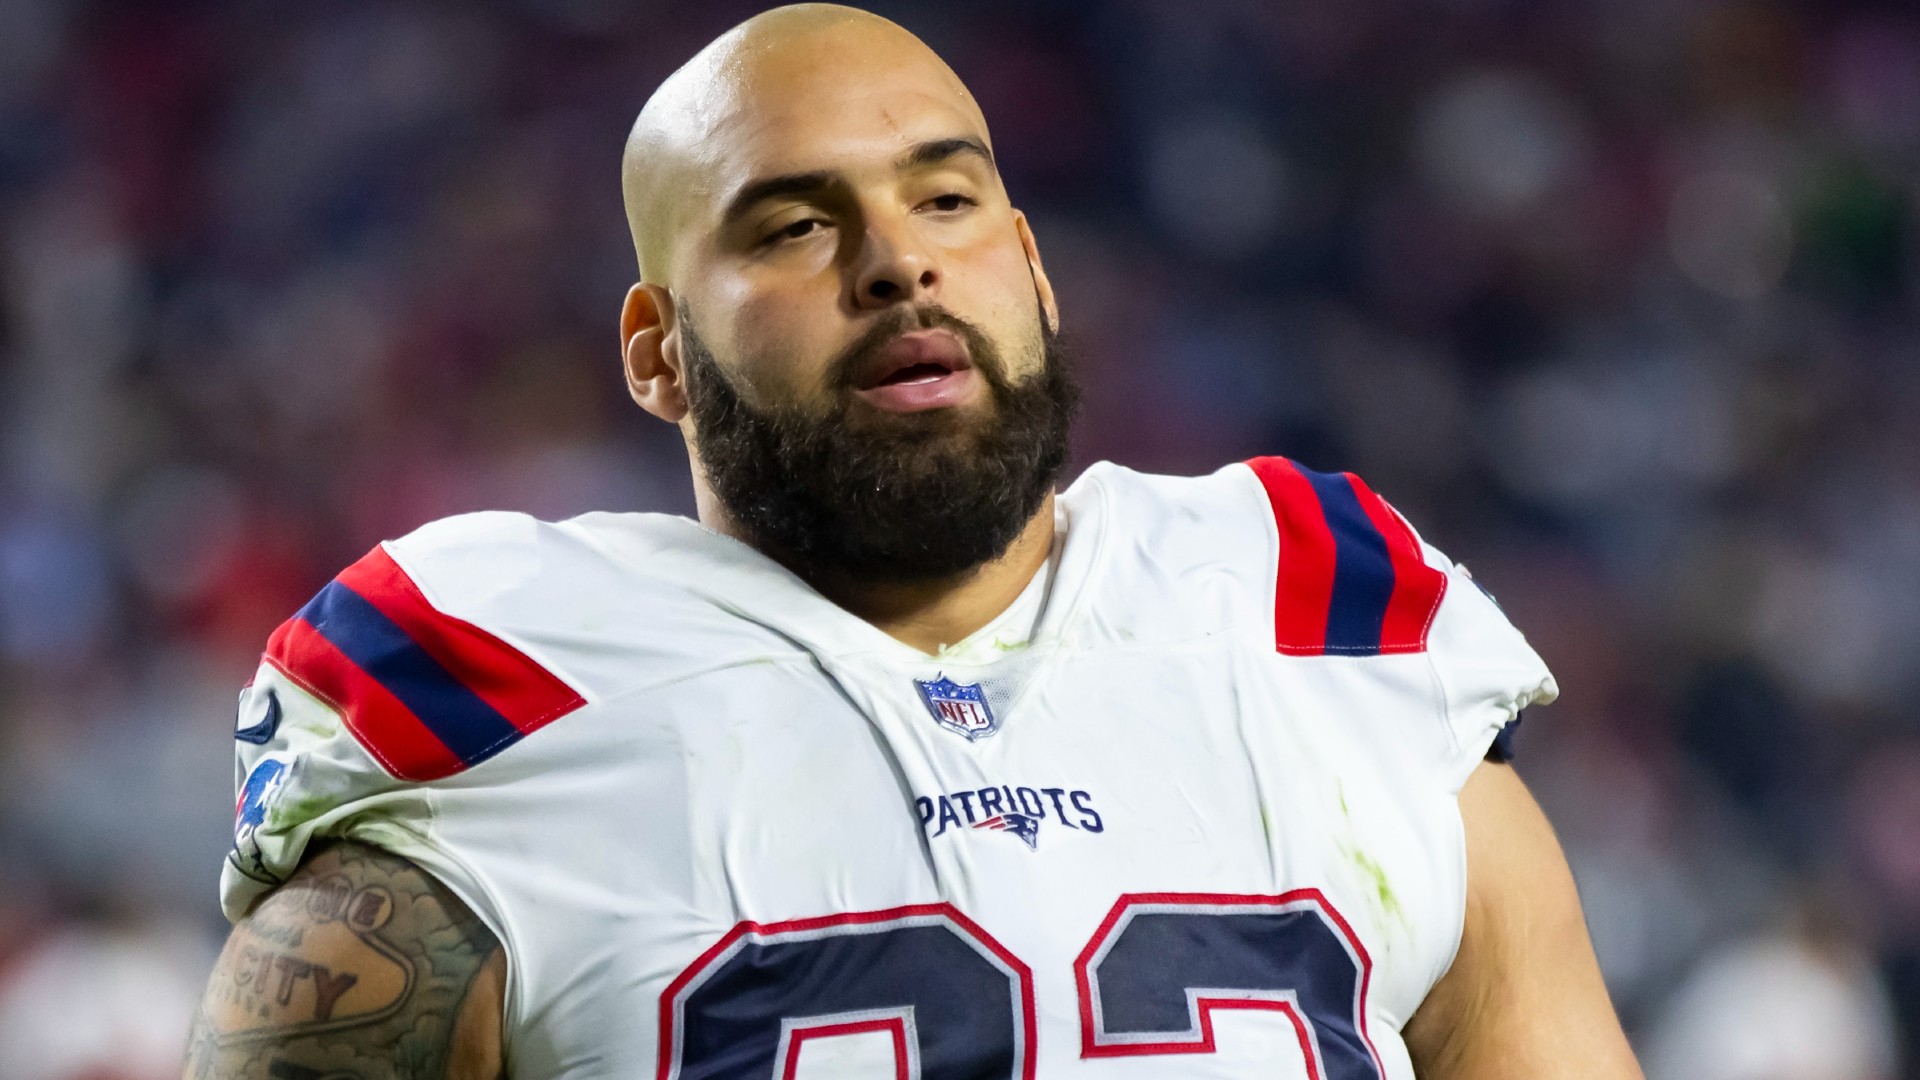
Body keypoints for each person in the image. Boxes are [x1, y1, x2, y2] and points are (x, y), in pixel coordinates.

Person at [183, 5, 1644, 1078]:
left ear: (1035, 268)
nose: (898, 259)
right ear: (658, 352)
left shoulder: (1315, 611)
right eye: (793, 229)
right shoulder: (495, 683)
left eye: (946, 197)